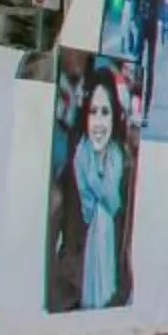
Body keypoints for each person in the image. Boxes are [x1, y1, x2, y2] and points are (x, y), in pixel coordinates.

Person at [64, 64, 131, 311]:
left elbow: (114, 205)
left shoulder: (121, 164)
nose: (99, 122)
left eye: (105, 112)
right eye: (94, 112)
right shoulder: (78, 161)